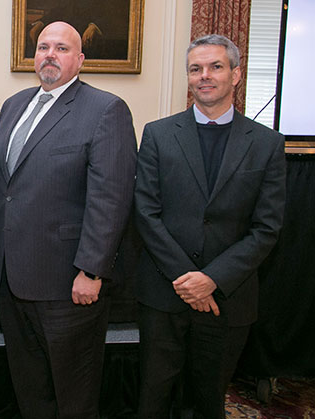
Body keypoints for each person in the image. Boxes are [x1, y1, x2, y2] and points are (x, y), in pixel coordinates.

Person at [0, 21, 136, 418]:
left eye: (62, 48)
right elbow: (1, 182)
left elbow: (112, 199)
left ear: (81, 59)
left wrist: (92, 269)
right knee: (29, 388)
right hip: (11, 277)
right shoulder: (14, 105)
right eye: (43, 47)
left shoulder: (106, 110)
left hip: (68, 283)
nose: (50, 54)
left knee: (73, 394)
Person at [134, 34, 286, 418]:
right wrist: (188, 277)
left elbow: (266, 228)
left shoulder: (267, 143)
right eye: (196, 68)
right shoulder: (158, 134)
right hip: (164, 295)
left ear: (236, 74)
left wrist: (212, 279)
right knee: (152, 399)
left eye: (216, 67)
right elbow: (145, 212)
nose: (205, 76)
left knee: (208, 402)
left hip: (227, 301)